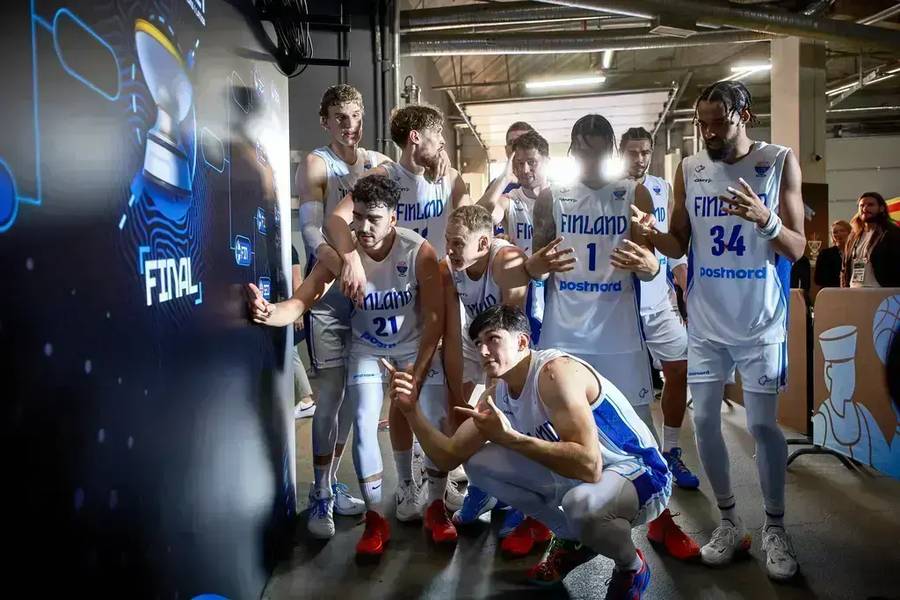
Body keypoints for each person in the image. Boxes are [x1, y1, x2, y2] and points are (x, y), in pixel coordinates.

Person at [634, 80, 806, 580]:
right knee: (705, 421)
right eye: (702, 123)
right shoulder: (690, 168)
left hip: (760, 321)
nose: (709, 132)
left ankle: (775, 527)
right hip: (707, 321)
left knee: (761, 426)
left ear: (744, 116)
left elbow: (798, 248)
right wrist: (650, 233)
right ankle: (729, 521)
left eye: (718, 123)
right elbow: (677, 242)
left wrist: (767, 219)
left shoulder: (778, 161)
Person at [386, 305, 671, 597]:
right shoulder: (498, 394)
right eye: (478, 343)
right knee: (478, 463)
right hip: (589, 476)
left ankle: (631, 567)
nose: (483, 350)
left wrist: (510, 438)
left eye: (493, 339)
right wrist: (411, 412)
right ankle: (572, 538)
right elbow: (448, 456)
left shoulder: (554, 374)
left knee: (581, 505)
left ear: (522, 341)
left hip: (639, 472)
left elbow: (589, 465)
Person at [249, 174, 446, 554]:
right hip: (368, 348)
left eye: (374, 218)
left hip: (411, 347)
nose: (364, 227)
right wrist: (269, 312)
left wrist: (418, 372)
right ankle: (375, 518)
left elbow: (435, 319)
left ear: (393, 218)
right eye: (357, 217)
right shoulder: (343, 255)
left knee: (434, 414)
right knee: (362, 421)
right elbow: (302, 301)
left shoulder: (418, 251)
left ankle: (436, 507)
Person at [325, 103, 470, 516]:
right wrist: (350, 259)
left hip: (437, 281)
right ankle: (409, 478)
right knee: (400, 393)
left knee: (446, 389)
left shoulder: (450, 176)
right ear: (416, 138)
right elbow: (337, 221)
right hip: (390, 283)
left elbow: (471, 218)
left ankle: (439, 473)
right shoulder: (383, 176)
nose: (443, 146)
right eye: (438, 138)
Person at [441, 205, 574, 554]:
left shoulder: (506, 261)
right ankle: (485, 489)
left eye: (457, 243)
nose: (450, 250)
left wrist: (492, 387)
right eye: (448, 242)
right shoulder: (451, 265)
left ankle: (523, 504)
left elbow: (507, 330)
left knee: (510, 420)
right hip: (477, 340)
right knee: (459, 416)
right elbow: (452, 335)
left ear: (483, 244)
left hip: (513, 346)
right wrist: (456, 392)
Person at [295, 84, 390, 531]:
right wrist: (347, 265)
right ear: (325, 122)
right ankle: (318, 494)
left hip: (367, 298)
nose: (349, 125)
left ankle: (332, 482)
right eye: (340, 117)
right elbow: (312, 234)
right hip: (332, 295)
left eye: (355, 116)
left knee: (356, 400)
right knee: (330, 397)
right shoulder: (316, 163)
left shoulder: (376, 163)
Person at [532, 114, 660, 437]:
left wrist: (650, 264)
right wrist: (540, 265)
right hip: (563, 333)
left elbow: (649, 270)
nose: (590, 161)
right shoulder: (551, 197)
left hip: (619, 332)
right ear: (572, 151)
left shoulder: (634, 194)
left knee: (638, 430)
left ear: (611, 152)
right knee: (559, 430)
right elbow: (535, 272)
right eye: (583, 152)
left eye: (598, 153)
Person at [619, 127, 701, 561]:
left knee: (680, 368)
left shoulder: (662, 188)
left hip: (659, 301)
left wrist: (684, 290)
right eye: (633, 152)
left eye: (646, 152)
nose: (640, 159)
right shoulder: (614, 191)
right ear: (620, 153)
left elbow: (675, 249)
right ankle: (637, 474)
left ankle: (671, 450)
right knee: (631, 397)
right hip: (624, 307)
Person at [841, 192, 900, 288]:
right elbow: (844, 269)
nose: (865, 209)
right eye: (861, 205)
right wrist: (843, 289)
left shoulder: (892, 233)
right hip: (853, 290)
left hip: (882, 291)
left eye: (870, 205)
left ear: (881, 208)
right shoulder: (853, 236)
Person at [291, 244, 315, 419]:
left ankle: (306, 402)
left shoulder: (289, 248)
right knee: (289, 353)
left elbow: (296, 280)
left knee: (290, 353)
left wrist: (298, 312)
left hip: (289, 308)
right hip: (281, 306)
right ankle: (305, 401)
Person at [813, 220, 850, 288]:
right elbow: (818, 279)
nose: (839, 234)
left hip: (852, 290)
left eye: (842, 231)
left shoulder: (855, 251)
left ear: (849, 233)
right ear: (832, 236)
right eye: (835, 232)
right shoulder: (825, 254)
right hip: (831, 291)